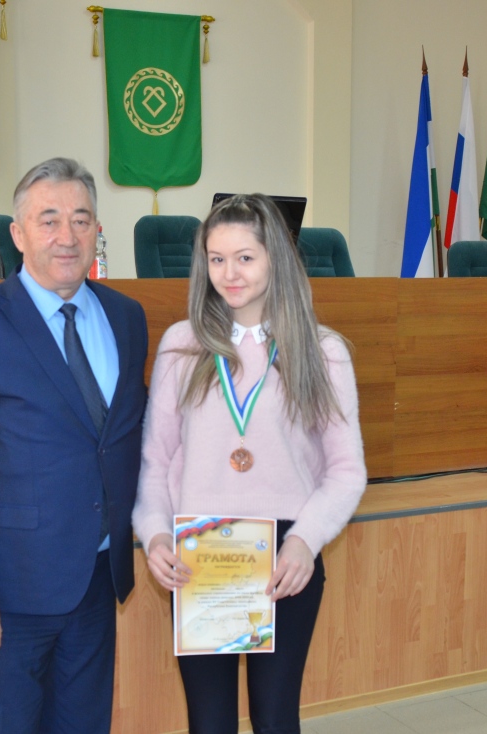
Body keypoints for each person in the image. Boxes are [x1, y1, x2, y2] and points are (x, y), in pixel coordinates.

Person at [0, 158, 149, 734]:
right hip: (9, 590)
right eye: (48, 221)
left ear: (97, 230)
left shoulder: (127, 317)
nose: (66, 236)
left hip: (97, 579)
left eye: (81, 220)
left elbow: (127, 438)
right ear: (18, 234)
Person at [132, 193, 367, 734]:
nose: (229, 273)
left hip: (286, 555)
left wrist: (305, 541)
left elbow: (346, 470)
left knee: (275, 718)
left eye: (245, 257)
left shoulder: (322, 350)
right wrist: (156, 535)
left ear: (274, 259)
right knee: (209, 722)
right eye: (217, 259)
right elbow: (155, 459)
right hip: (200, 552)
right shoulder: (182, 345)